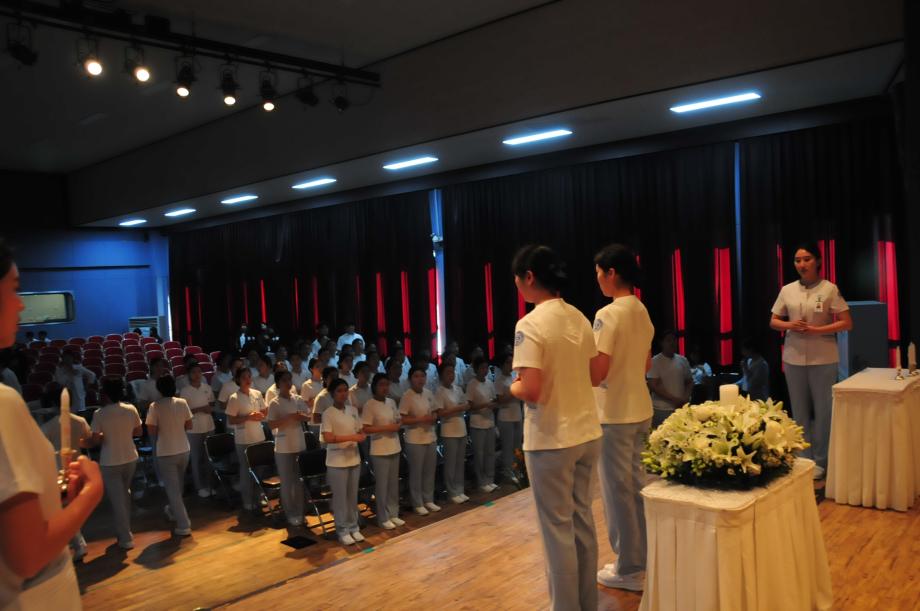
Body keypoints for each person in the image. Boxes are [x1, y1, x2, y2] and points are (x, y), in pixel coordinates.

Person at [0, 238, 103, 609]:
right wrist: (91, 492)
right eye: (14, 289)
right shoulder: (3, 403)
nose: (20, 303)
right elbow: (29, 555)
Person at [510, 244, 603, 611]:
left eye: (517, 279)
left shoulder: (530, 324)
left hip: (551, 438)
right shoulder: (579, 317)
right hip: (586, 431)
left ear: (529, 277)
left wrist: (512, 386)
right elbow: (595, 375)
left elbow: (530, 389)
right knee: (582, 522)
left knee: (557, 531)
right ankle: (586, 604)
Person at [589, 244, 655, 591]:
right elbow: (645, 364)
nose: (598, 279)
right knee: (637, 486)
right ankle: (644, 558)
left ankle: (629, 566)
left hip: (614, 412)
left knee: (617, 493)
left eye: (599, 272)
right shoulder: (641, 310)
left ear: (611, 273)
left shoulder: (608, 314)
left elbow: (597, 372)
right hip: (640, 407)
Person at [770, 241, 852, 480]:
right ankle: (803, 459)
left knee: (824, 410)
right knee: (799, 410)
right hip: (793, 356)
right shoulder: (787, 290)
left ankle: (822, 461)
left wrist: (818, 330)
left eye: (807, 259)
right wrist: (790, 324)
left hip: (823, 356)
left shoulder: (829, 288)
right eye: (798, 260)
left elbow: (847, 322)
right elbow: (773, 321)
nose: (802, 264)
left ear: (818, 261)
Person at [39, 395, 93, 561]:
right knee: (72, 507)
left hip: (60, 470)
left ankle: (79, 545)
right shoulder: (79, 420)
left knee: (65, 509)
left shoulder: (48, 426)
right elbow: (88, 440)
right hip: (78, 466)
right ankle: (79, 542)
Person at [91, 377, 143, 549]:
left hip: (110, 460)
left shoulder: (99, 414)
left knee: (117, 500)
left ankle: (126, 537)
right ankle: (125, 531)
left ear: (105, 394)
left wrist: (106, 435)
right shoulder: (131, 409)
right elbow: (138, 432)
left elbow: (95, 440)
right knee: (124, 493)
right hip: (130, 456)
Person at [146, 376, 193, 537]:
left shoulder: (155, 406)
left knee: (173, 490)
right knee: (179, 485)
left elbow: (152, 431)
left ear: (159, 389)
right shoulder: (182, 402)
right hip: (183, 448)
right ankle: (173, 511)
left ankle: (184, 524)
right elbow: (189, 425)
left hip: (166, 451)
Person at [321, 379, 366, 545]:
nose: (343, 394)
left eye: (345, 390)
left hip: (353, 457)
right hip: (337, 461)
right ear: (332, 393)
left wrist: (360, 436)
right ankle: (342, 530)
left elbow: (360, 430)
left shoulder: (352, 410)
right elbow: (328, 437)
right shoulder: (328, 413)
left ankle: (354, 527)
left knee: (352, 496)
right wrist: (351, 437)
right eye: (339, 391)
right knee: (340, 498)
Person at [266, 371, 310, 528]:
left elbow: (308, 416)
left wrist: (301, 417)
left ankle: (300, 511)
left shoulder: (297, 398)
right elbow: (271, 424)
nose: (288, 383)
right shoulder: (275, 403)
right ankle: (290, 513)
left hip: (298, 443)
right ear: (278, 383)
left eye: (289, 380)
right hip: (284, 446)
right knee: (287, 482)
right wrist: (290, 417)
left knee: (299, 480)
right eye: (284, 380)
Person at [361, 374, 405, 528]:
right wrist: (387, 428)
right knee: (382, 485)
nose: (385, 388)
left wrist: (397, 425)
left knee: (393, 483)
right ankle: (383, 517)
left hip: (394, 445)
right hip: (379, 449)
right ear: (374, 387)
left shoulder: (391, 402)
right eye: (381, 385)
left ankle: (394, 513)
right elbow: (366, 428)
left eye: (387, 384)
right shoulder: (369, 405)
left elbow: (398, 420)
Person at [399, 365, 440, 515]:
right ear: (410, 379)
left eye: (422, 376)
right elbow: (402, 419)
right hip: (415, 438)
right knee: (416, 472)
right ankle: (417, 503)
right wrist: (420, 419)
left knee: (430, 470)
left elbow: (435, 411)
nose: (420, 379)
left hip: (430, 436)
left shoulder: (428, 393)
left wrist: (433, 417)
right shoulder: (407, 396)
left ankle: (428, 499)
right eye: (416, 376)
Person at [225, 368, 267, 511]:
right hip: (244, 439)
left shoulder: (256, 393)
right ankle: (247, 500)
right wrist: (248, 417)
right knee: (245, 470)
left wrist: (260, 415)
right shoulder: (234, 397)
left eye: (249, 376)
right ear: (238, 380)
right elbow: (231, 420)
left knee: (259, 468)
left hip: (258, 436)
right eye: (244, 377)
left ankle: (258, 496)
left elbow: (264, 411)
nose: (248, 379)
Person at [434, 362, 470, 504]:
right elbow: (440, 413)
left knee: (460, 461)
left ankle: (460, 489)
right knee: (451, 463)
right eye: (448, 372)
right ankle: (451, 491)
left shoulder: (458, 389)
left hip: (461, 427)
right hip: (449, 430)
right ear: (441, 375)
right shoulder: (439, 391)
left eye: (452, 372)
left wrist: (458, 408)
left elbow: (466, 405)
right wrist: (457, 408)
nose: (451, 375)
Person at [179, 363, 216, 498]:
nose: (197, 375)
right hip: (193, 428)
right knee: (195, 458)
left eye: (199, 372)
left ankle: (210, 484)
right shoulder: (185, 391)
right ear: (189, 374)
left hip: (208, 425)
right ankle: (199, 486)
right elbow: (183, 411)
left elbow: (212, 404)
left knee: (208, 458)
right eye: (194, 372)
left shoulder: (207, 387)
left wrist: (209, 408)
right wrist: (200, 409)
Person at [646, 331, 692, 427]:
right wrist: (675, 399)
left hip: (681, 407)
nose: (672, 343)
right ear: (662, 343)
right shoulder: (655, 361)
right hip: (662, 409)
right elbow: (654, 386)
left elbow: (689, 381)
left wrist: (685, 397)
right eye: (668, 340)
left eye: (674, 340)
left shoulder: (682, 360)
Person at [467, 356, 498, 493]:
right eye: (482, 368)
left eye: (486, 368)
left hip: (489, 421)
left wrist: (493, 405)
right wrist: (485, 405)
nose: (485, 370)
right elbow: (470, 406)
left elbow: (495, 400)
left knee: (490, 452)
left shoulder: (490, 383)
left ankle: (490, 479)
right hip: (477, 423)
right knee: (479, 454)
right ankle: (482, 481)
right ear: (476, 369)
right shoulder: (472, 384)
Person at [493, 352, 523, 482]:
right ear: (502, 364)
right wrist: (514, 391)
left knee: (517, 446)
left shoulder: (514, 376)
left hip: (517, 414)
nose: (510, 365)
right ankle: (508, 471)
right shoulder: (499, 380)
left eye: (512, 362)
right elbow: (500, 400)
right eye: (507, 362)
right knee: (507, 446)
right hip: (505, 417)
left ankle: (518, 470)